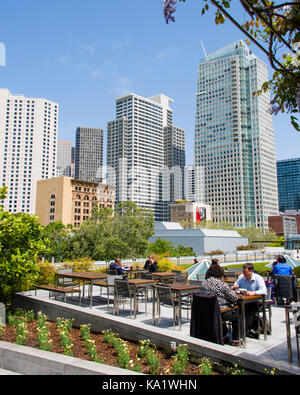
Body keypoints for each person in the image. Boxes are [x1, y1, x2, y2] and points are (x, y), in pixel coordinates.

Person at [200, 265, 240, 345]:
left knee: (222, 312)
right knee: (238, 315)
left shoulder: (203, 284)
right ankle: (236, 340)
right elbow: (234, 298)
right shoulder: (222, 284)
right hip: (221, 312)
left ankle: (223, 335)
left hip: (208, 312)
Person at [233, 263, 267, 338]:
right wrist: (235, 287)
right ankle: (239, 330)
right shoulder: (241, 277)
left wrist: (253, 293)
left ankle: (244, 331)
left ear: (251, 271)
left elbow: (264, 291)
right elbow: (236, 284)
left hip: (255, 302)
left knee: (248, 310)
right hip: (243, 301)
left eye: (245, 272)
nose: (244, 274)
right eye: (243, 272)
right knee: (235, 311)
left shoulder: (258, 278)